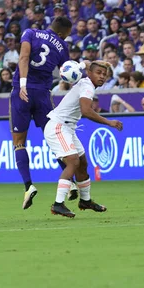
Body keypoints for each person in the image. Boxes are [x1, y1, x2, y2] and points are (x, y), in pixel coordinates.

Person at [44, 60, 122, 218]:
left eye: (104, 75)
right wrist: (109, 122)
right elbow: (86, 111)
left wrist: (84, 63)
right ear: (90, 73)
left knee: (82, 163)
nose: (102, 77)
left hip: (68, 128)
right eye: (98, 73)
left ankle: (85, 201)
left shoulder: (86, 83)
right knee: (73, 161)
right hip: (58, 126)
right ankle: (58, 204)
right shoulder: (87, 86)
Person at [11, 17, 73, 209]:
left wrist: (22, 84)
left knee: (19, 143)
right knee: (54, 139)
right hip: (43, 95)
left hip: (22, 91)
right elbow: (67, 72)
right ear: (62, 33)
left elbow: (23, 57)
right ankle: (69, 183)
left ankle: (28, 186)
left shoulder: (30, 33)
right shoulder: (62, 46)